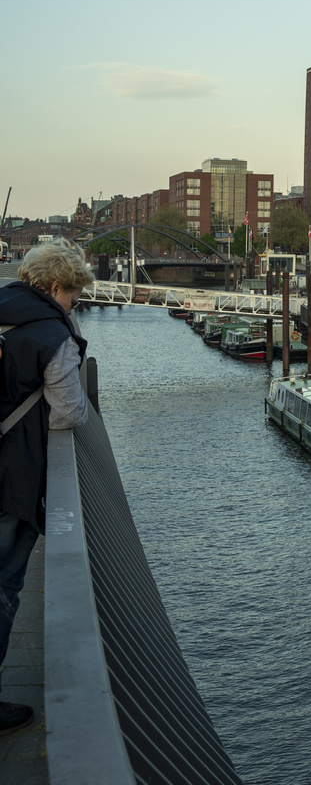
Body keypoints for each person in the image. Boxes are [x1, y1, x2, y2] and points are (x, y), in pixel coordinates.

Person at [0, 239, 94, 735]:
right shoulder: (51, 333)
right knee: (1, 586)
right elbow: (70, 412)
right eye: (74, 297)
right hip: (9, 477)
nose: (74, 304)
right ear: (56, 287)